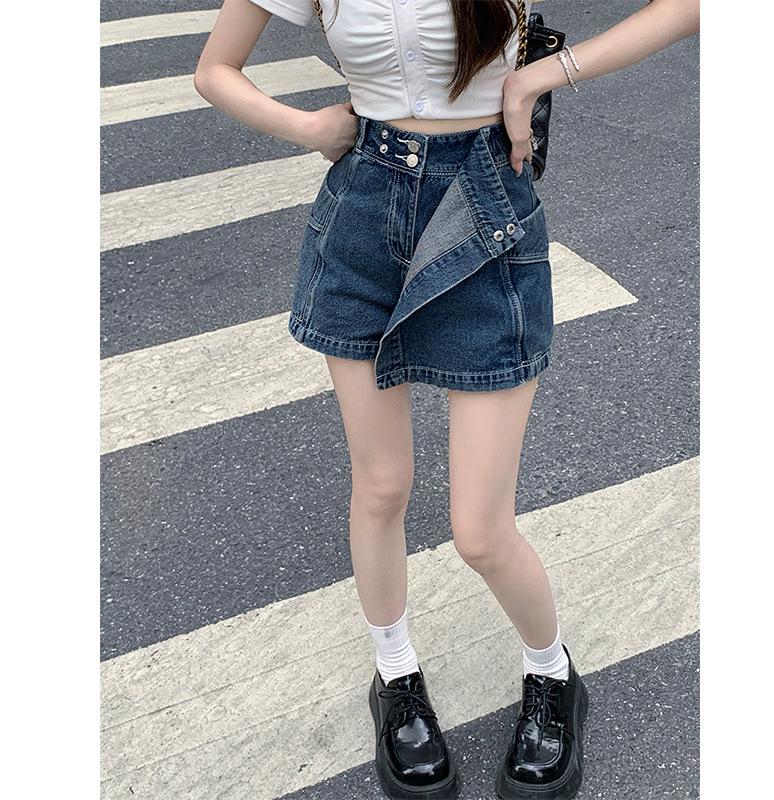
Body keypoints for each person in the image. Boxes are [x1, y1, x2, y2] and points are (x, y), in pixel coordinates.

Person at [193, 1, 700, 797]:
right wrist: (309, 128)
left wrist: (538, 75)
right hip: (363, 211)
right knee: (382, 486)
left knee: (481, 531)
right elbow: (214, 70)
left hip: (486, 205)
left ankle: (552, 673)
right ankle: (395, 675)